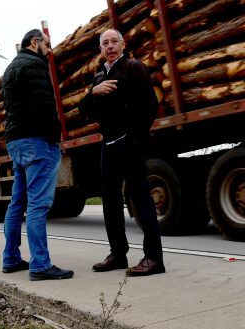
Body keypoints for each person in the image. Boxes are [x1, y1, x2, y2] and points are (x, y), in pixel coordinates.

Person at [79, 29, 164, 276]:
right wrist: (92, 93)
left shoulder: (134, 68)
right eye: (105, 43)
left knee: (140, 199)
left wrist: (134, 137)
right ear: (100, 49)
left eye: (114, 41)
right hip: (108, 145)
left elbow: (151, 106)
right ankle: (118, 254)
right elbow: (84, 111)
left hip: (131, 143)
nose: (110, 46)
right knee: (111, 203)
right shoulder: (98, 78)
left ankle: (154, 258)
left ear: (123, 44)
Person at [1, 29, 74, 281]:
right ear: (35, 42)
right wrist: (55, 138)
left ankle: (10, 258)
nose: (49, 49)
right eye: (47, 44)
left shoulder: (11, 68)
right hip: (37, 141)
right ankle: (40, 265)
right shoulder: (34, 65)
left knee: (17, 204)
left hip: (16, 141)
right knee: (38, 205)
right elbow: (44, 106)